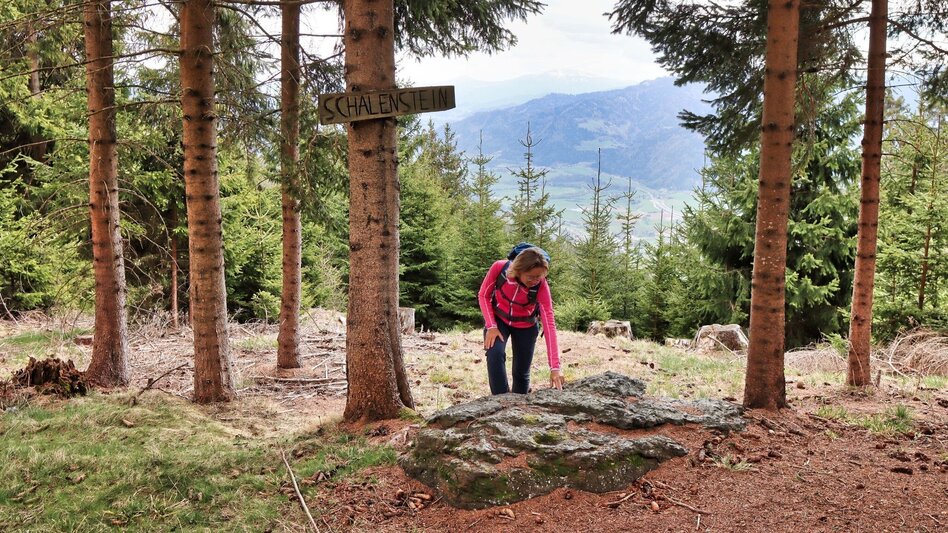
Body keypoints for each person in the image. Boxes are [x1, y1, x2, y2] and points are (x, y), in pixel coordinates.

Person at [478, 245, 565, 394]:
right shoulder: (500, 268)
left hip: (526, 325)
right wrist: (491, 326)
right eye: (531, 277)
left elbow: (549, 324)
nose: (535, 281)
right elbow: (483, 295)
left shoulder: (541, 286)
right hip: (499, 320)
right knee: (494, 354)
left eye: (539, 276)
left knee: (521, 372)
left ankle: (520, 404)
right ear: (518, 270)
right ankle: (500, 400)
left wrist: (555, 367)